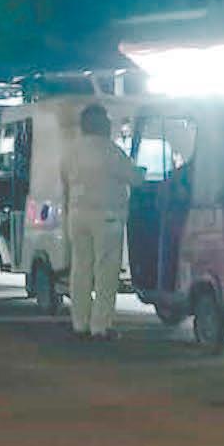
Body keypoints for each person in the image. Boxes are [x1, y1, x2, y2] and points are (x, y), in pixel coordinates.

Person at [59, 103, 144, 340]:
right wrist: (143, 172)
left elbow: (64, 182)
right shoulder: (110, 151)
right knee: (106, 270)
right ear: (101, 124)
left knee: (80, 269)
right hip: (107, 217)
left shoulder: (70, 152)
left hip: (77, 215)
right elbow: (135, 178)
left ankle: (80, 323)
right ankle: (100, 326)